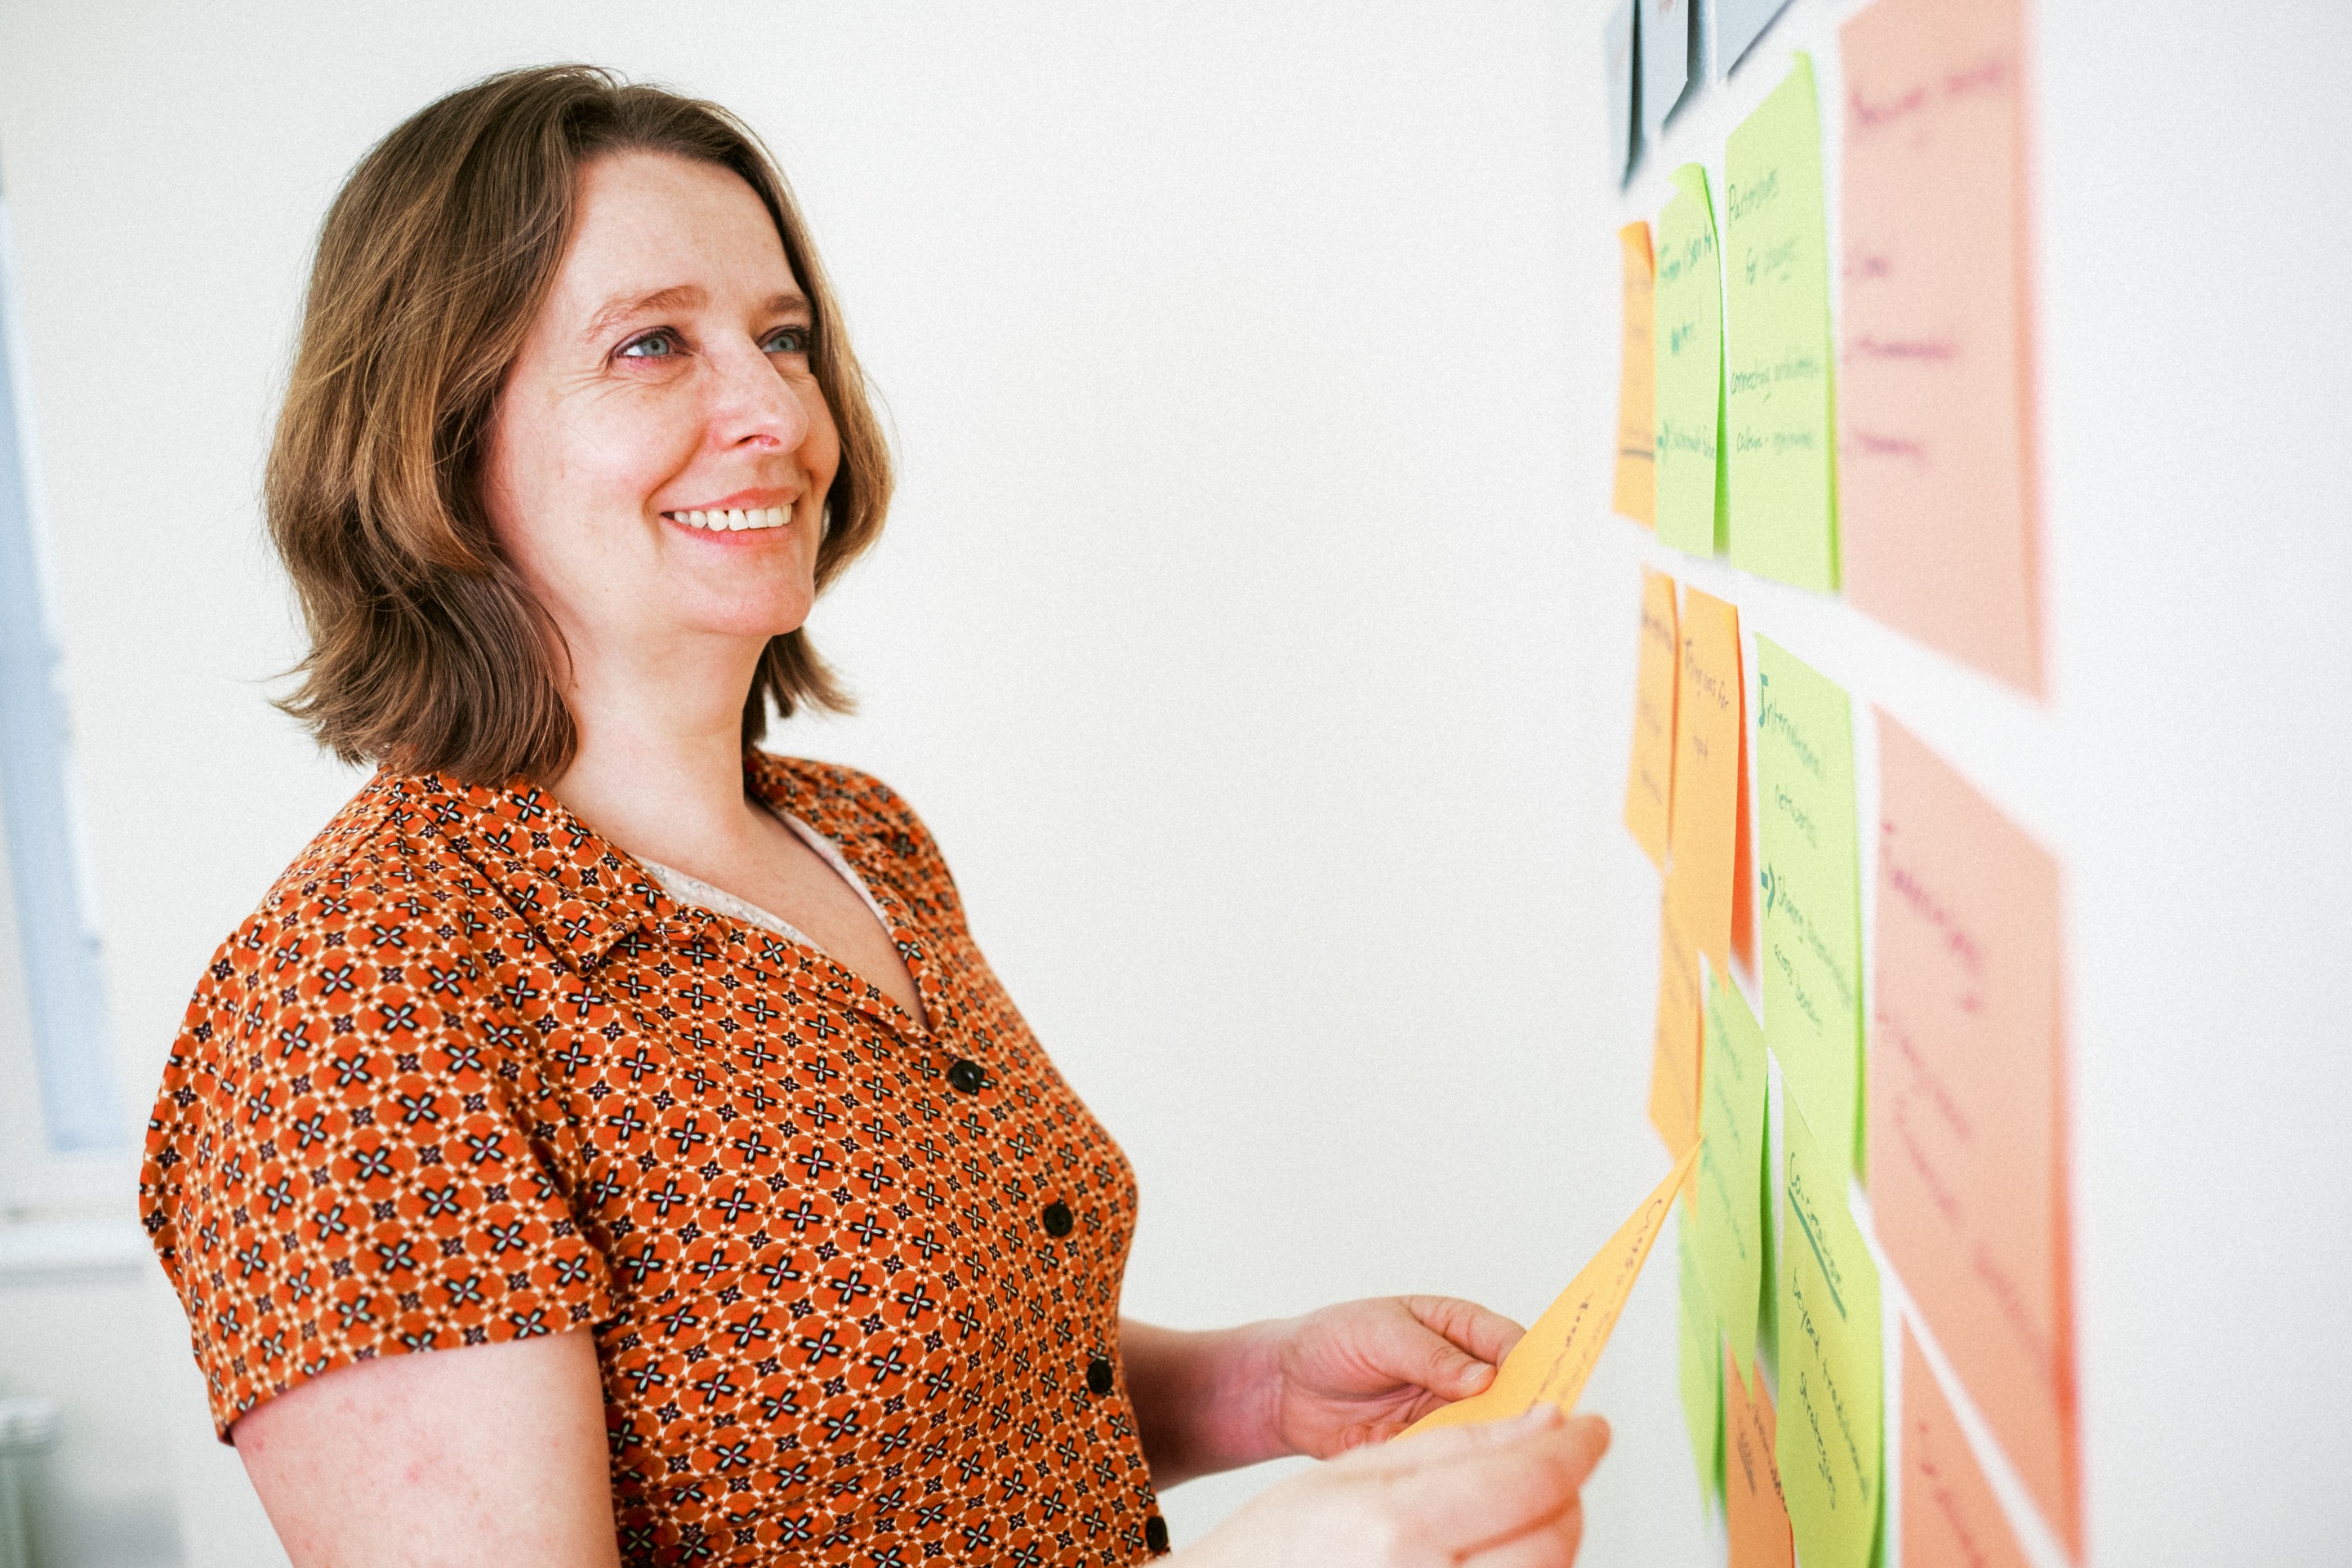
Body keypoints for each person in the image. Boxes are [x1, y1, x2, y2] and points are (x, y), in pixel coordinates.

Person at [137, 65, 1609, 1566]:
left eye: (784, 340)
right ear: (439, 438)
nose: (777, 411)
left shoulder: (860, 838)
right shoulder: (353, 1003)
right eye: (652, 345)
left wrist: (1257, 1388)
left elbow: (904, 1417)